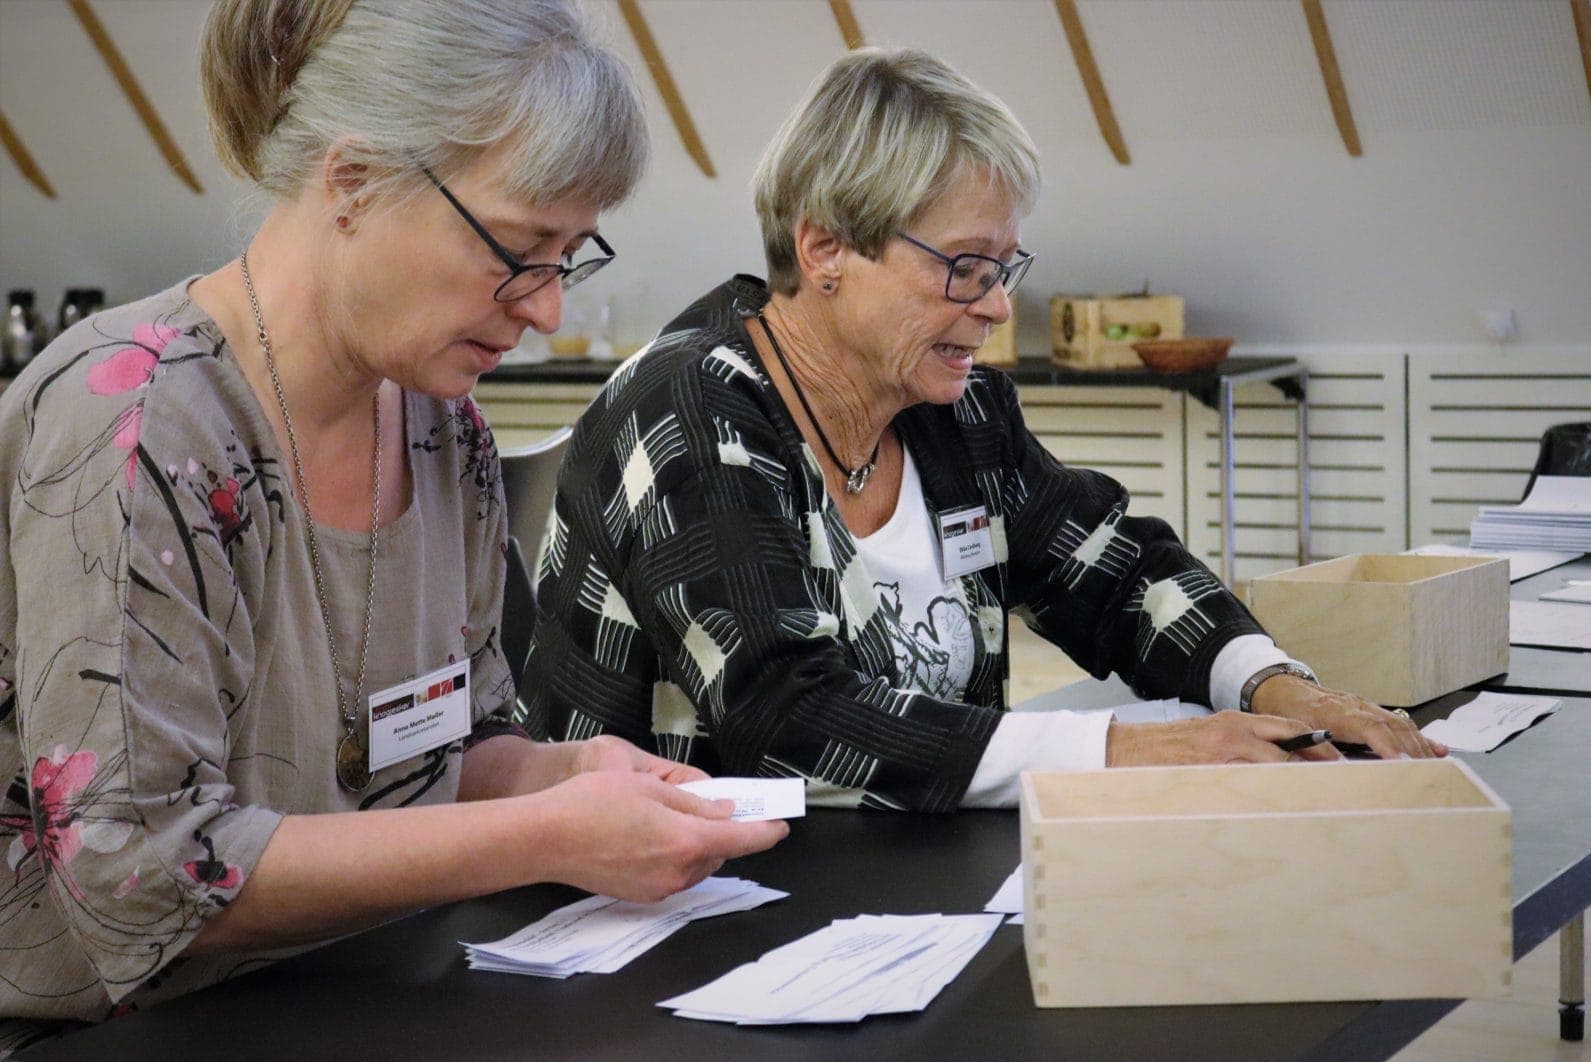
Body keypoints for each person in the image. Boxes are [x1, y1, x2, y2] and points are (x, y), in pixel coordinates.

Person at [0, 0, 786, 1037]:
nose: (547, 307)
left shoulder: (436, 422)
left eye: (569, 254)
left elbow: (446, 747)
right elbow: (140, 872)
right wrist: (544, 834)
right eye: (519, 246)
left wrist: (562, 772)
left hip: (358, 994)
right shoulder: (140, 425)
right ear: (353, 180)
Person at [522, 48, 1445, 812]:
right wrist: (1131, 749)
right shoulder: (692, 409)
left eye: (1006, 266)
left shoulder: (953, 410)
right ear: (825, 249)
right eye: (965, 267)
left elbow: (1118, 572)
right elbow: (790, 717)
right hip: (672, 934)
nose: (999, 305)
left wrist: (1277, 687)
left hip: (895, 904)